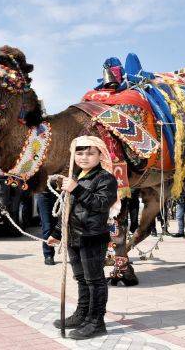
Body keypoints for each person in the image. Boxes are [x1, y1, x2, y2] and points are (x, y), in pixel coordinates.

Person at [47, 136, 118, 340]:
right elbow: (67, 209)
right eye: (79, 153)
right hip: (74, 237)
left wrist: (76, 189)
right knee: (81, 279)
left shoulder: (105, 178)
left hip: (92, 237)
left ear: (99, 155)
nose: (84, 157)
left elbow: (102, 204)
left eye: (90, 153)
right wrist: (57, 233)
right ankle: (82, 315)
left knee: (95, 280)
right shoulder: (74, 176)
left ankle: (96, 322)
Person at [35, 188, 58, 265]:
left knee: (63, 225)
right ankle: (48, 255)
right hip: (44, 194)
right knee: (47, 226)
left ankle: (74, 255)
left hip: (61, 193)